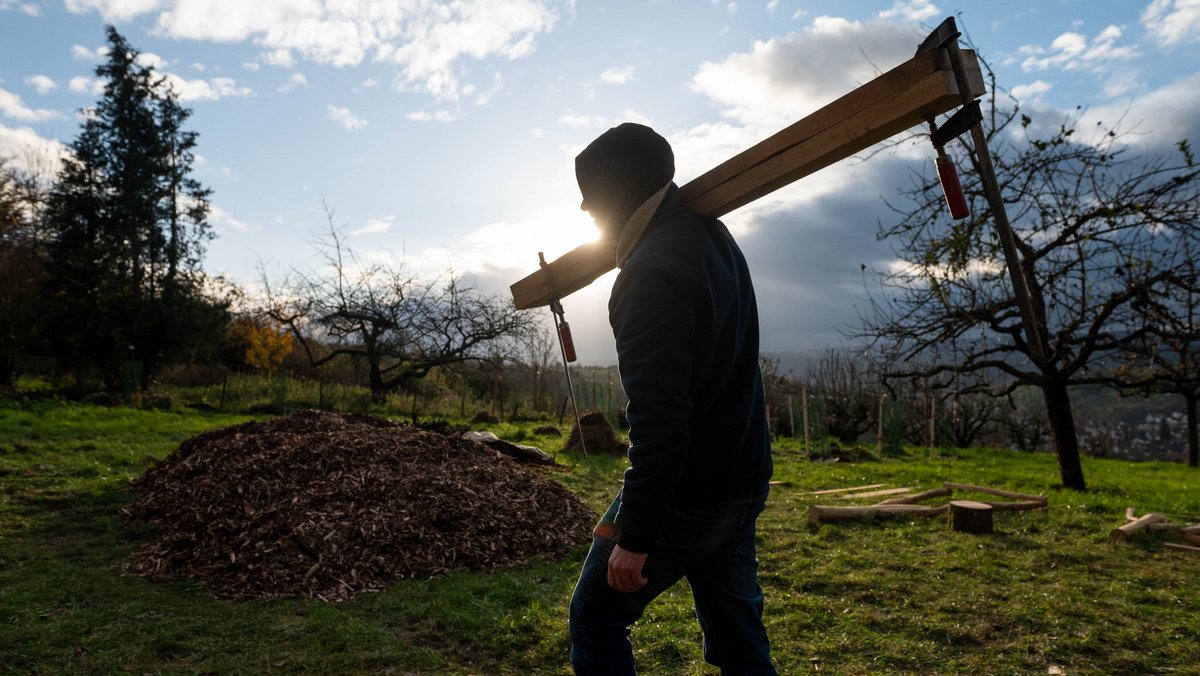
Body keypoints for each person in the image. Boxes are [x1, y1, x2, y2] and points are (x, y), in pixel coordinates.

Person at [567, 122, 776, 675]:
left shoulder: (648, 275)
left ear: (616, 192)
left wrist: (635, 536)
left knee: (595, 620)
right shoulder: (713, 237)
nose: (583, 206)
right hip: (742, 479)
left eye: (590, 194)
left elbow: (660, 422)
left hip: (691, 495)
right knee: (738, 644)